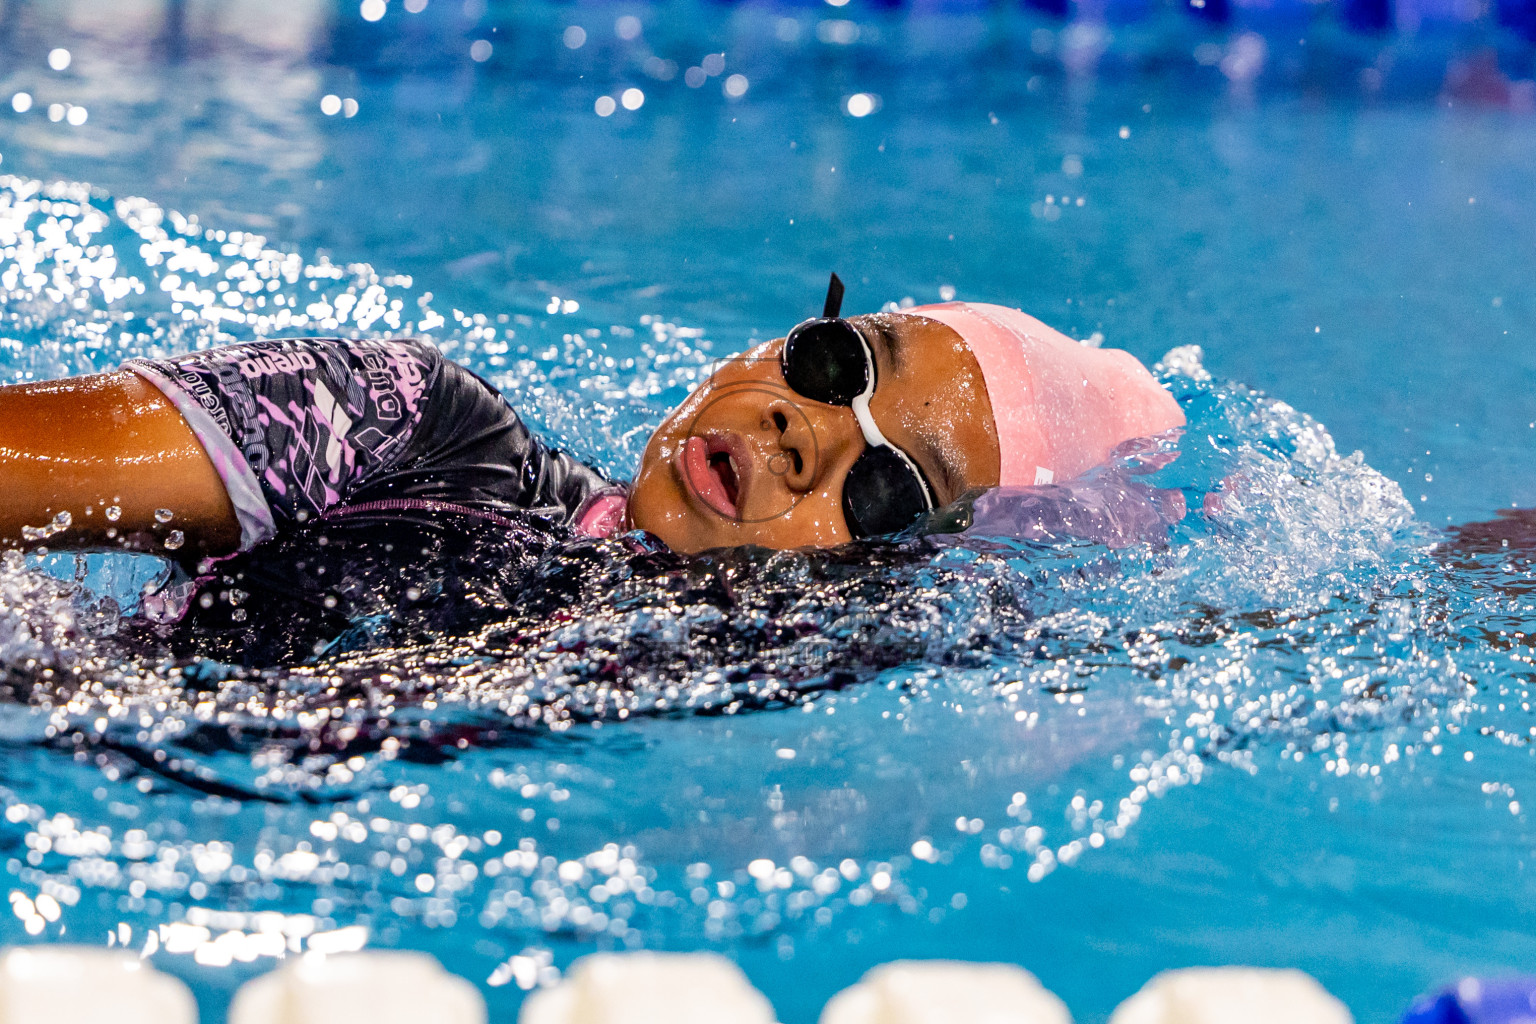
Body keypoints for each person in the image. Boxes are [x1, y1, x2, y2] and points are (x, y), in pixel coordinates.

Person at [0, 275, 1183, 639]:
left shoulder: (809, 673)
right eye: (836, 362)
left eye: (887, 484)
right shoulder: (408, 426)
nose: (805, 430)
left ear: (908, 568)